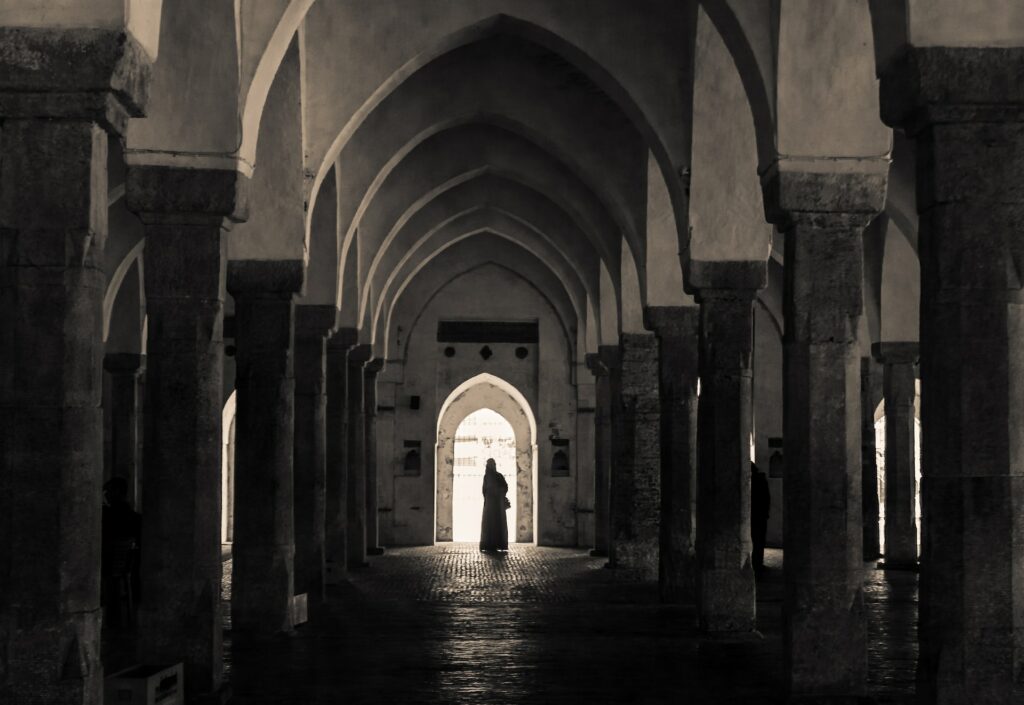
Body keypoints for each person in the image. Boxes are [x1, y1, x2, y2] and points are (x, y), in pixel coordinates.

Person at [102, 477, 142, 626]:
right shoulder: (134, 517)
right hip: (125, 568)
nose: (105, 495)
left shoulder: (105, 516)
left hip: (107, 566)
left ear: (116, 492)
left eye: (107, 491)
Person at [479, 458, 509, 552]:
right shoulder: (491, 476)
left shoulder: (493, 476)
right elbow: (504, 487)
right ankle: (491, 544)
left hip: (493, 503)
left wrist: (495, 492)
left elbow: (504, 487)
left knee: (494, 522)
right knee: (492, 522)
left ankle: (493, 544)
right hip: (492, 503)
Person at [750, 462, 770, 572]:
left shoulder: (755, 481)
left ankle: (756, 565)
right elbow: (767, 499)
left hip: (756, 516)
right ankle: (758, 564)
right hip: (760, 516)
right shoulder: (761, 480)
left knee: (757, 542)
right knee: (759, 542)